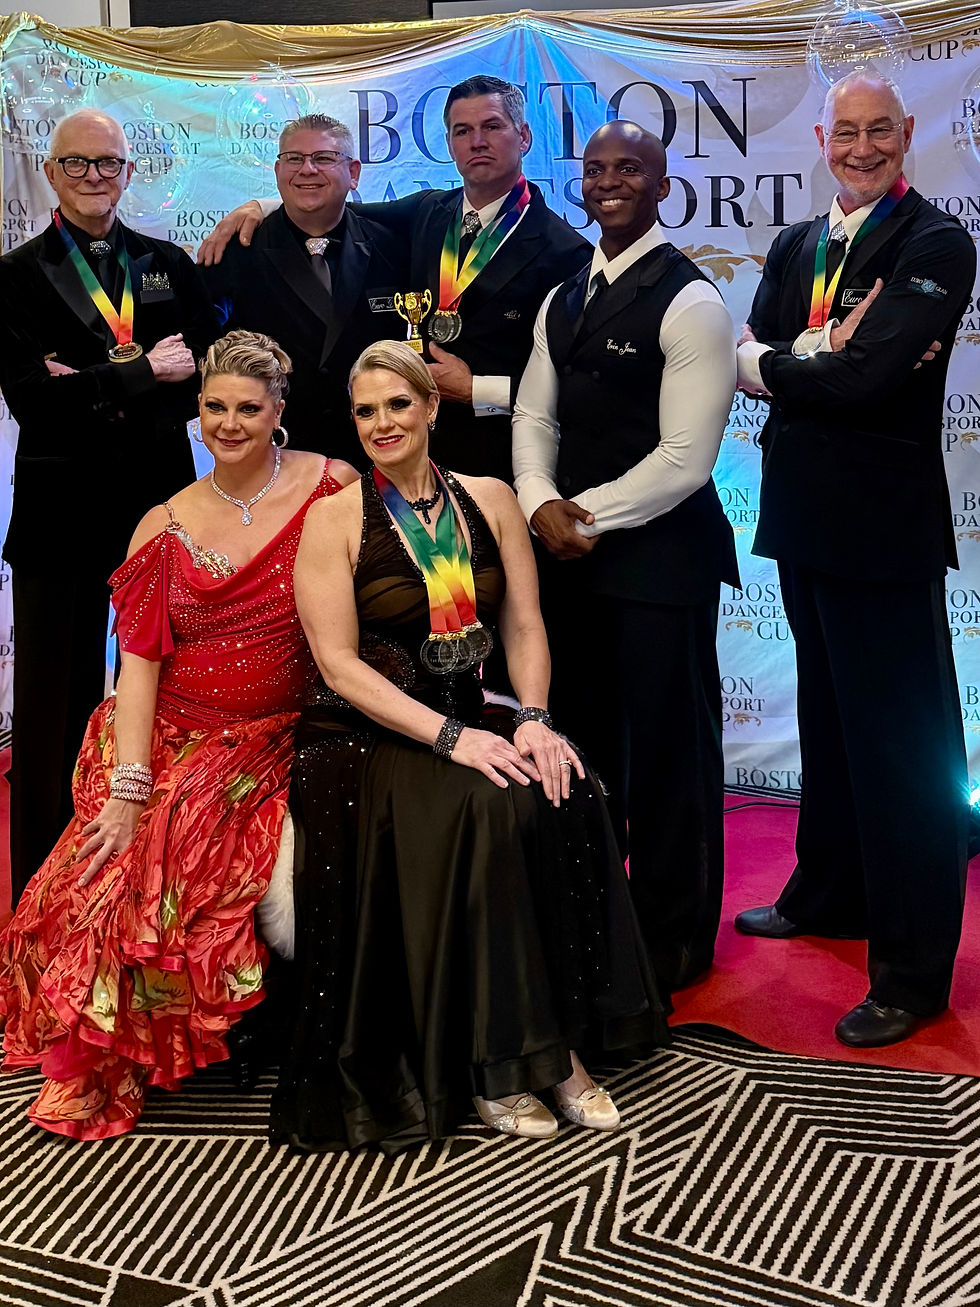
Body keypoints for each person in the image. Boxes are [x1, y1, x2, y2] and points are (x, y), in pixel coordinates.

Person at [270, 340, 667, 1152]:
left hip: (467, 710)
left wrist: (535, 719)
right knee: (487, 809)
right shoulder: (333, 518)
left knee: (568, 786)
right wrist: (452, 738)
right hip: (362, 738)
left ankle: (562, 1037)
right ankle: (509, 1064)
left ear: (431, 406)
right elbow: (340, 669)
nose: (382, 423)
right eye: (365, 410)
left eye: (397, 404)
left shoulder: (488, 499)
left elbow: (523, 622)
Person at [0, 331, 357, 1139]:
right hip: (157, 733)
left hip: (271, 733)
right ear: (197, 411)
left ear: (278, 412)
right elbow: (139, 673)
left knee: (181, 847)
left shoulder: (331, 487)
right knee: (109, 863)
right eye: (215, 406)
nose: (229, 423)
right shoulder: (163, 524)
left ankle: (160, 1033)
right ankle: (99, 1050)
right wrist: (128, 786)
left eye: (247, 408)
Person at [733, 72, 976, 1047]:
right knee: (827, 723)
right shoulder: (796, 244)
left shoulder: (934, 241)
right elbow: (752, 351)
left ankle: (911, 971)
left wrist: (796, 363)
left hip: (883, 534)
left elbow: (867, 375)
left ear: (906, 134)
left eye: (880, 130)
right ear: (822, 139)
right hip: (800, 517)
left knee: (902, 753)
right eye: (846, 131)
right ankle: (826, 890)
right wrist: (799, 358)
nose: (862, 146)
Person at [512, 121, 739, 994]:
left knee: (670, 759)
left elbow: (687, 458)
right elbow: (534, 414)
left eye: (630, 169)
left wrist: (583, 514)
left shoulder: (694, 301)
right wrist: (537, 501)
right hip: (569, 561)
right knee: (585, 748)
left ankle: (678, 937)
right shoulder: (564, 294)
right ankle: (593, 916)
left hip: (660, 567)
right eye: (597, 168)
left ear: (662, 182)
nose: (611, 181)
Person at [0, 109, 218, 907]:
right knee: (52, 706)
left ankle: (149, 872)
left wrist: (84, 380)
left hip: (153, 514)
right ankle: (40, 889)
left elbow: (204, 377)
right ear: (51, 174)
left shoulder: (165, 264)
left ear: (130, 173)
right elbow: (32, 401)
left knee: (160, 696)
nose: (95, 177)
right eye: (78, 164)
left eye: (109, 164)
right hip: (58, 522)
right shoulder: (13, 277)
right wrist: (134, 376)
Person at [200, 76, 592, 485]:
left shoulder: (566, 253)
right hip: (404, 453)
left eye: (492, 126)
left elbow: (576, 387)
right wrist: (258, 207)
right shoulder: (426, 212)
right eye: (463, 131)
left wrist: (478, 389)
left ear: (524, 136)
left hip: (499, 459)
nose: (477, 141)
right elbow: (328, 204)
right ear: (450, 143)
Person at [204, 114, 406, 466]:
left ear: (354, 172)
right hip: (273, 455)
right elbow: (205, 345)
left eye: (324, 158)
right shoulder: (235, 250)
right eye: (294, 159)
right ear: (278, 171)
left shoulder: (393, 246)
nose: (307, 169)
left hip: (376, 451)